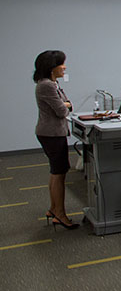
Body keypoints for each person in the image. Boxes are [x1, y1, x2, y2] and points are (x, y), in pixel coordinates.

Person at [33, 50, 78, 230]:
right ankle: (60, 214)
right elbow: (63, 110)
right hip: (51, 134)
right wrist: (66, 104)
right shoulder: (47, 86)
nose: (65, 67)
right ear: (52, 67)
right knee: (59, 173)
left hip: (52, 133)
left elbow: (66, 104)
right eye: (62, 64)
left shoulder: (52, 83)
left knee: (57, 171)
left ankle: (53, 209)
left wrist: (65, 104)